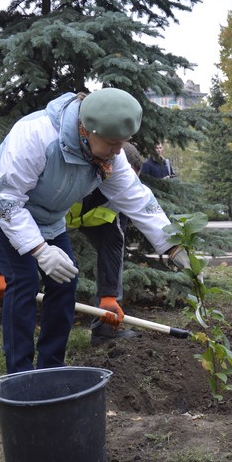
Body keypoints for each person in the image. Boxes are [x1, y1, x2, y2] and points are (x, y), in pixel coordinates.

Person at [0, 88, 190, 374]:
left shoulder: (108, 155)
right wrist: (39, 249)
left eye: (123, 143)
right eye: (113, 143)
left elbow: (137, 198)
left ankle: (52, 367)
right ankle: (20, 374)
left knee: (65, 282)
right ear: (86, 130)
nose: (118, 151)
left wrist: (173, 246)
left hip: (47, 217)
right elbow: (5, 199)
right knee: (23, 281)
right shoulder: (36, 136)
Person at [64, 142, 143, 345]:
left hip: (96, 222)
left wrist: (108, 297)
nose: (126, 187)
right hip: (55, 217)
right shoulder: (78, 174)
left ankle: (104, 330)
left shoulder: (121, 201)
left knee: (113, 264)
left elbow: (113, 249)